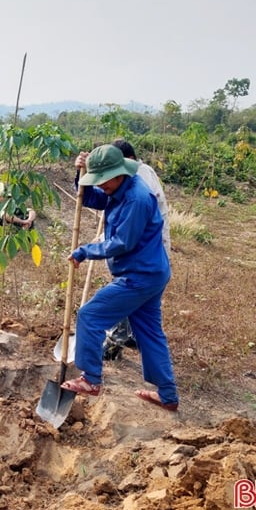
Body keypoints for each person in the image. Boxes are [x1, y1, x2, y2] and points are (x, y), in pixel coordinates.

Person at [61, 144, 179, 412]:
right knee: (149, 333)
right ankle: (168, 395)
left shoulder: (136, 198)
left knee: (90, 315)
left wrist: (84, 251)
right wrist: (81, 176)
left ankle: (91, 378)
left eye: (102, 181)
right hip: (150, 272)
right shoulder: (118, 189)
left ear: (118, 174)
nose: (100, 186)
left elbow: (122, 243)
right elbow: (91, 199)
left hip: (139, 277)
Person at [102, 138, 172, 360]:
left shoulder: (140, 177)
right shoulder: (134, 175)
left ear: (128, 160)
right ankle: (137, 340)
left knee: (127, 294)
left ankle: (116, 343)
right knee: (137, 301)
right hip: (142, 250)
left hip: (146, 251)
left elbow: (133, 218)